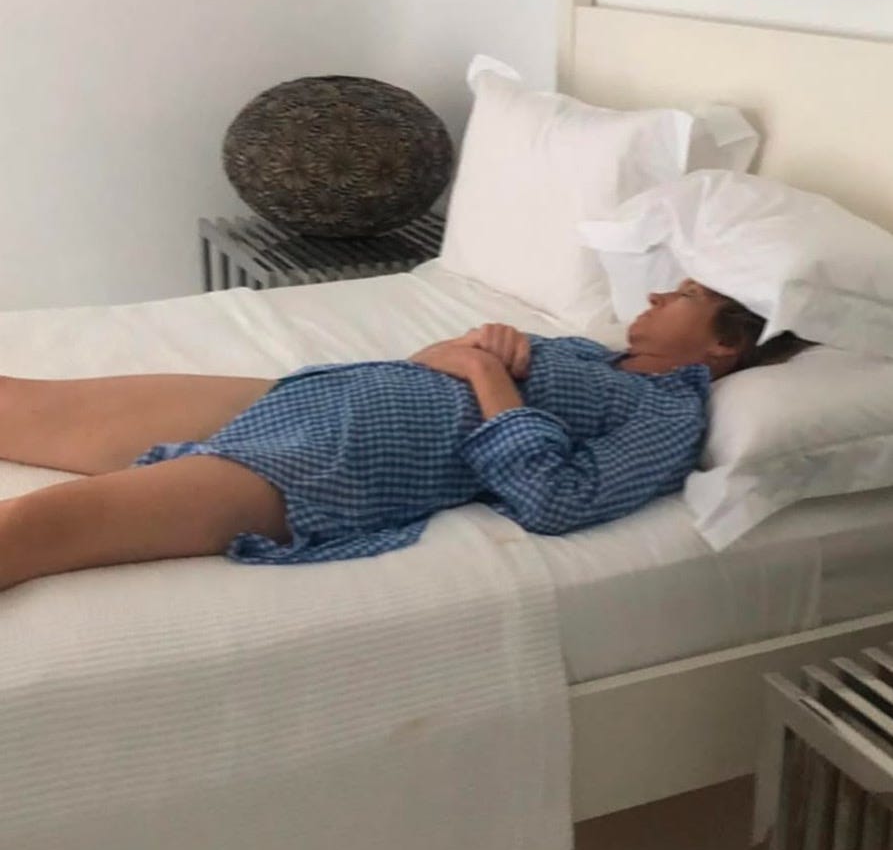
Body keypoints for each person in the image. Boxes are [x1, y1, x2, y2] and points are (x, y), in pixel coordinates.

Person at [0, 279, 804, 592]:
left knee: (31, 528)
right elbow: (428, 370)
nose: (656, 293)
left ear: (724, 343)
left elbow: (553, 499)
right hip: (315, 395)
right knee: (20, 404)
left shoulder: (666, 415)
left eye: (684, 294)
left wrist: (487, 374)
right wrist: (456, 350)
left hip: (331, 465)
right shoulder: (591, 354)